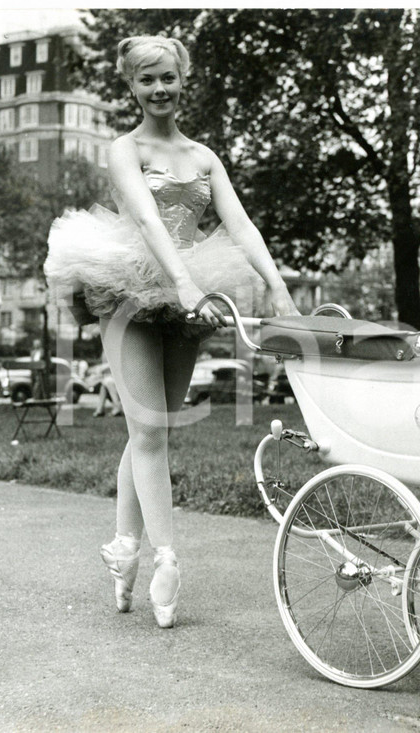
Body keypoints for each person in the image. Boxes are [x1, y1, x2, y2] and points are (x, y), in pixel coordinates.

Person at [43, 35, 299, 629]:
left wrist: (279, 288)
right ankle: (167, 559)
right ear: (131, 87)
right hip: (129, 286)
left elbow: (241, 226)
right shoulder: (123, 150)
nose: (159, 89)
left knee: (147, 432)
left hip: (191, 288)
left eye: (168, 78)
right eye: (146, 80)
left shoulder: (205, 157)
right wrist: (183, 283)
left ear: (184, 80)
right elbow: (147, 218)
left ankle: (123, 545)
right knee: (151, 429)